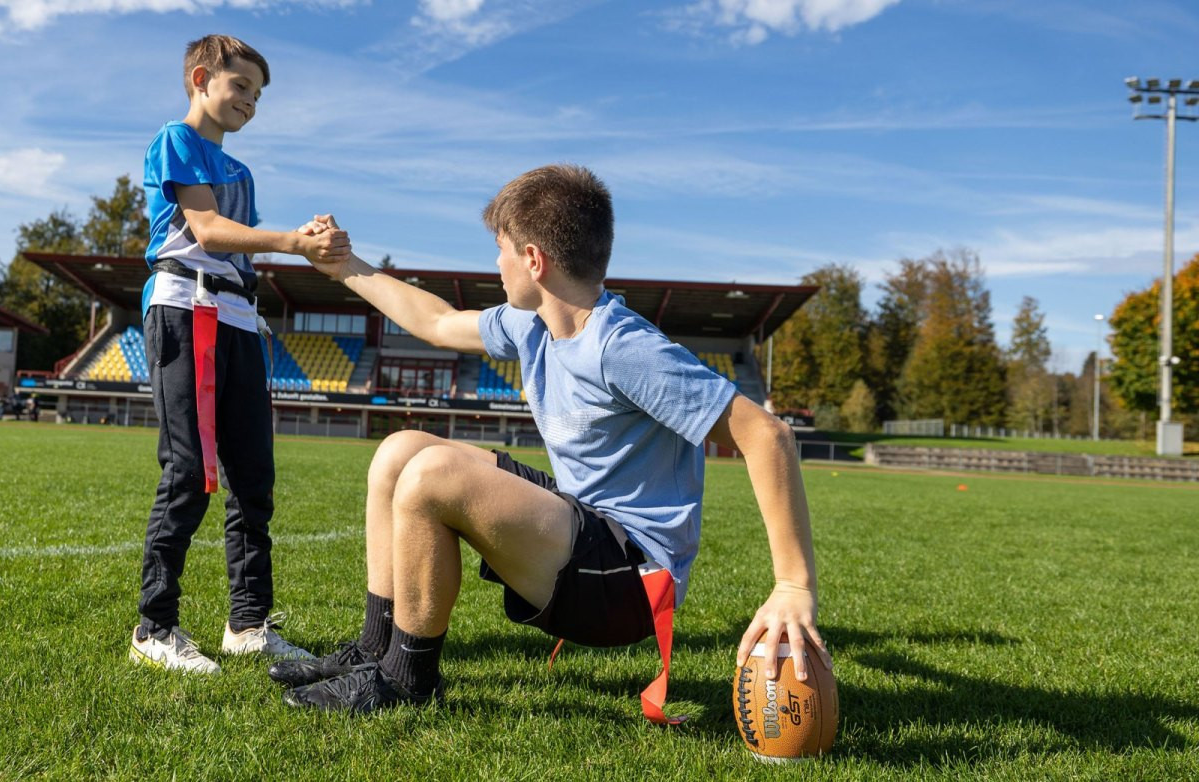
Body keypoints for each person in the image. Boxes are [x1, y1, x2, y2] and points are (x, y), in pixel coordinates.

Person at [270, 164, 829, 713]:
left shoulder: (622, 347)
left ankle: (406, 680)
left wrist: (793, 586)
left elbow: (766, 434)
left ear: (534, 260)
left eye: (502, 249)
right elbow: (437, 322)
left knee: (430, 477)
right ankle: (373, 651)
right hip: (583, 526)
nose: (496, 262)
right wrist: (344, 266)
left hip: (631, 581)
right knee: (400, 451)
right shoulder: (532, 323)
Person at [128, 33, 352, 674]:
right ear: (201, 78)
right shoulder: (177, 139)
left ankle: (248, 625)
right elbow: (208, 232)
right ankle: (155, 626)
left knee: (253, 479)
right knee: (191, 472)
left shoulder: (242, 174)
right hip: (185, 309)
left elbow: (242, 248)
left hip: (238, 318)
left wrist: (307, 238)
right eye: (241, 86)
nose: (250, 102)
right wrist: (292, 240)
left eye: (257, 93)